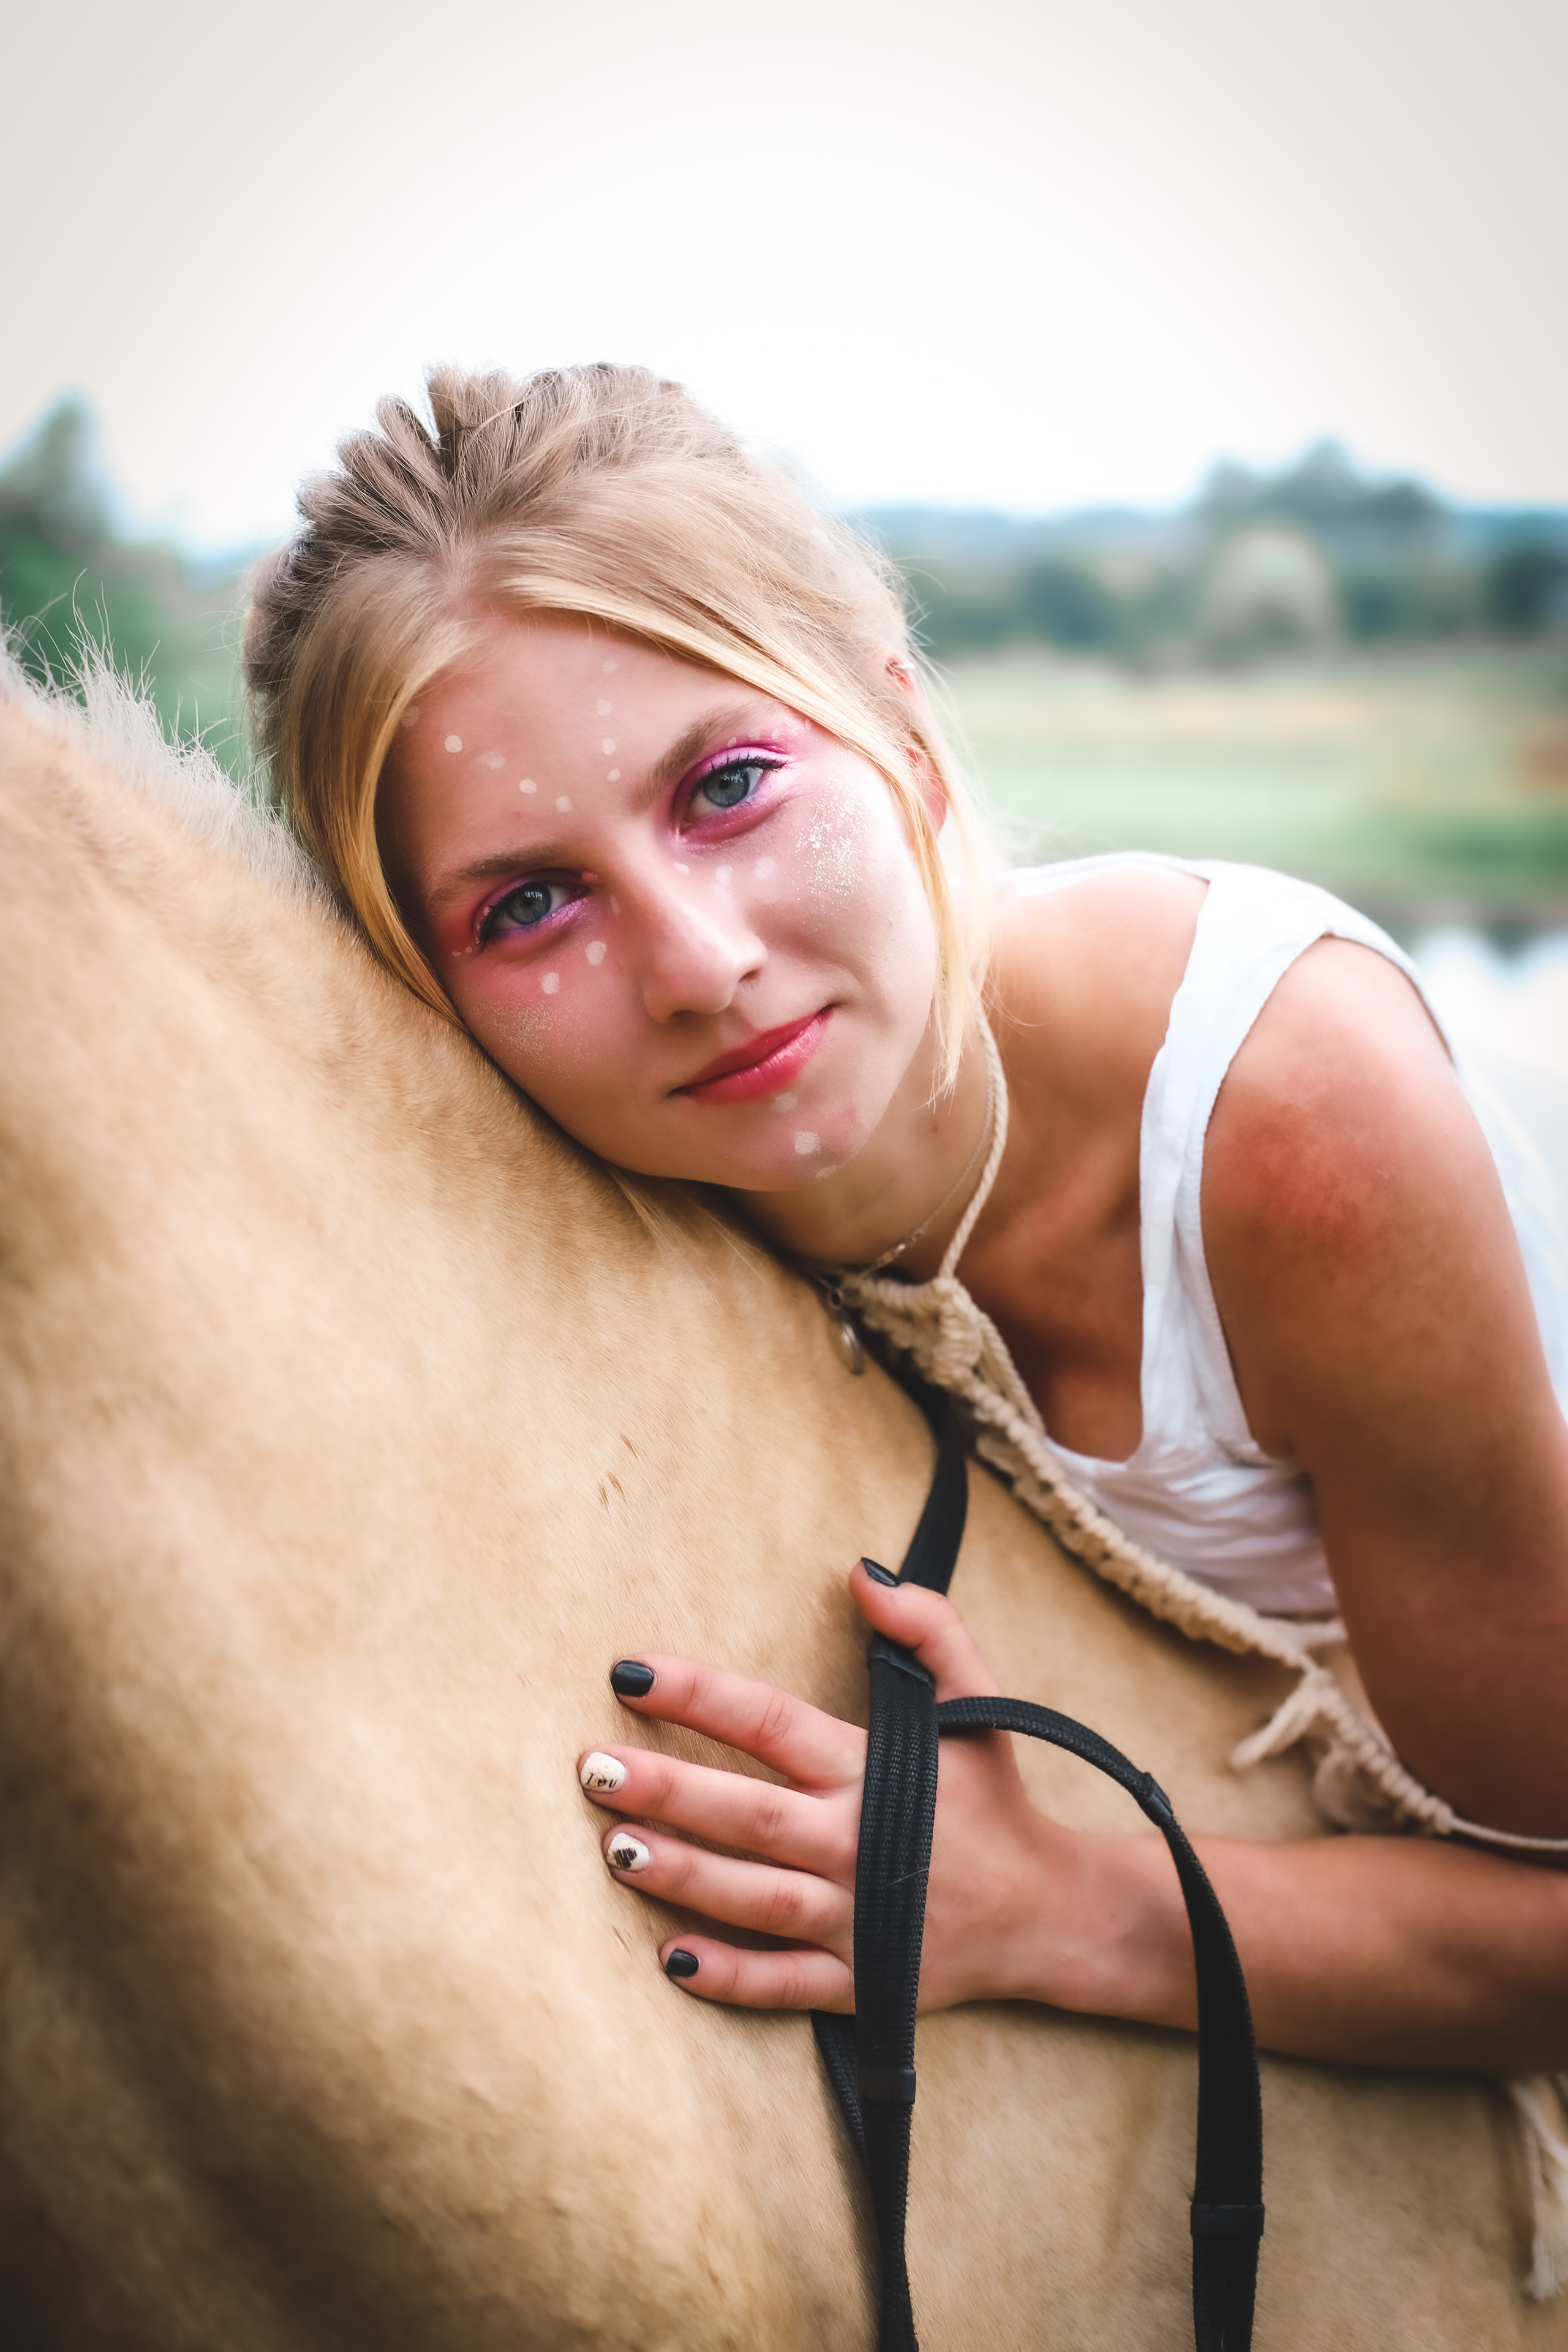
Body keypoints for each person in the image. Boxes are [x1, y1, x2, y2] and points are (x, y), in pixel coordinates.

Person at [244, 363, 1568, 2086]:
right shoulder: (553, 1188)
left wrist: (1061, 1909)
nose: (702, 968)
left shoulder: (1292, 1117)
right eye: (531, 902)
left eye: (725, 785)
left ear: (908, 741)